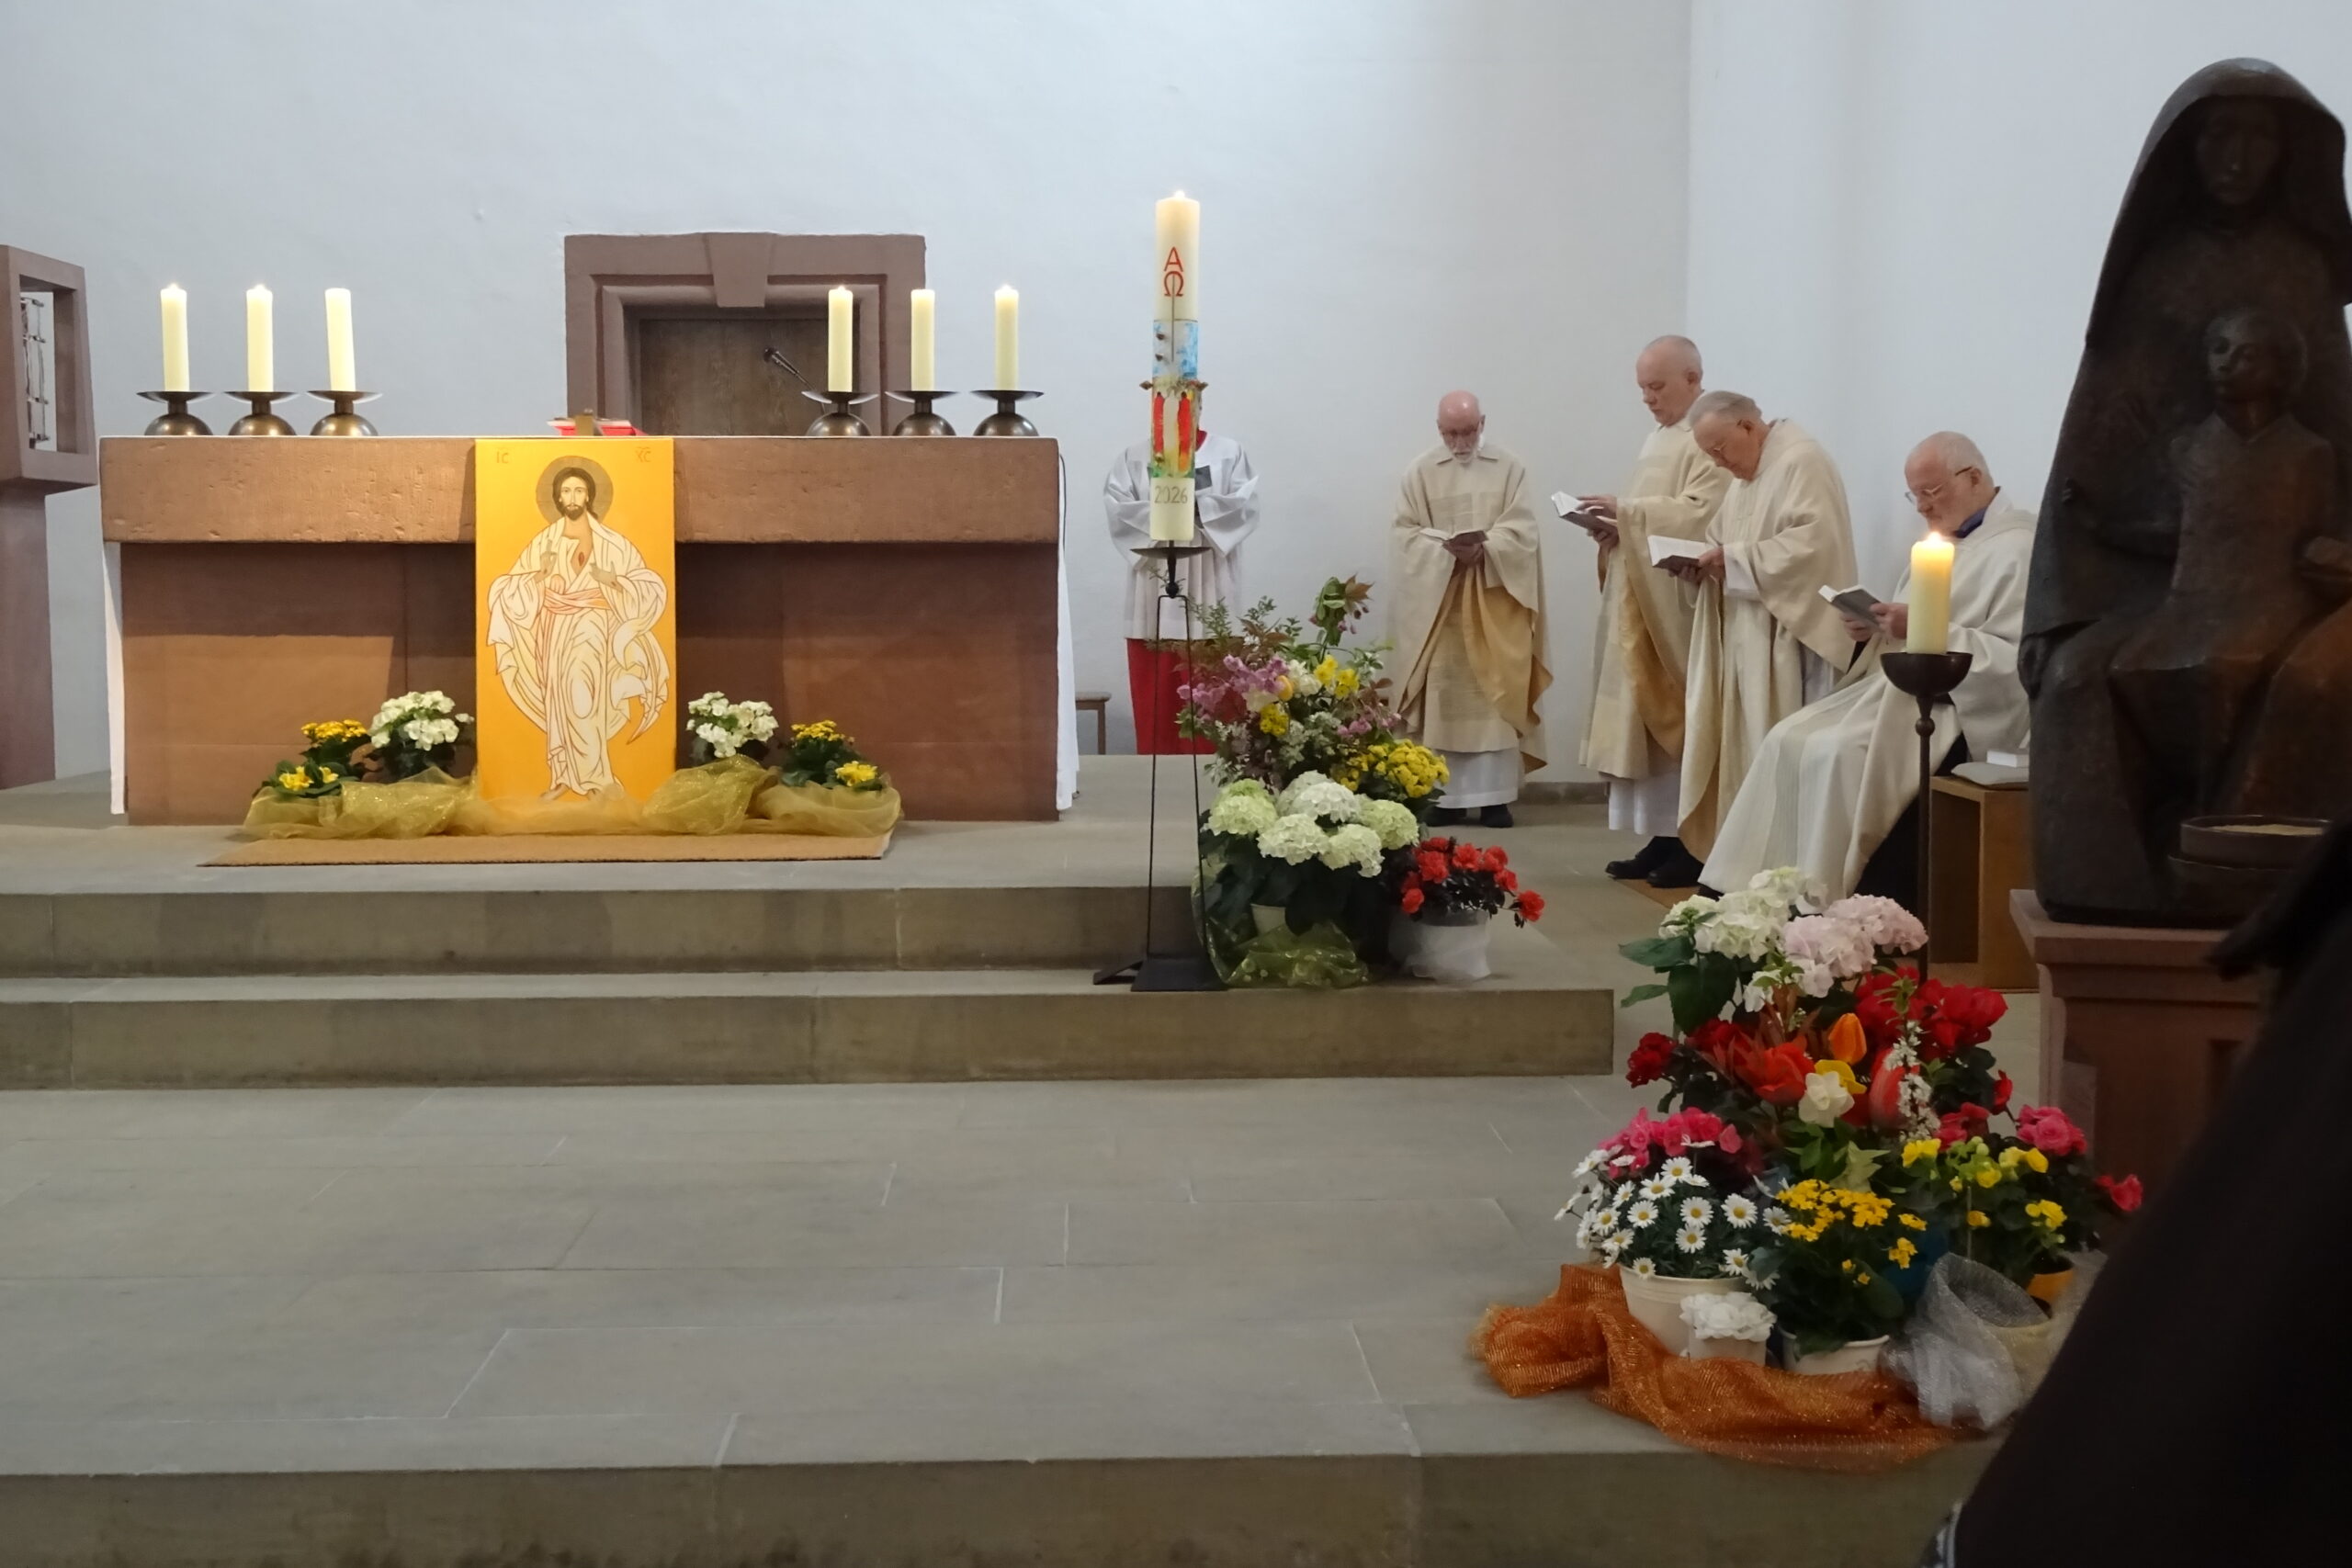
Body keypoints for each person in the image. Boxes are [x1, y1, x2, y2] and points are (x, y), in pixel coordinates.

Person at [2025, 59, 2352, 920]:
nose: (2236, 157)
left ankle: (2258, 883)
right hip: (2153, 579)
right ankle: (2113, 896)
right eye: (2218, 136)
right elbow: (2088, 458)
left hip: (2288, 576)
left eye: (2258, 138)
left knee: (2307, 679)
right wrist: (2052, 614)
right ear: (2185, 150)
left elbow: (2339, 439)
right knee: (2072, 682)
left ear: (2288, 154)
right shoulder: (2154, 270)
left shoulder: (2304, 270)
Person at [1699, 434, 2034, 904]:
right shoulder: (1943, 545)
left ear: (1974, 477)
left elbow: (2018, 660)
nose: (1922, 507)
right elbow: (1911, 630)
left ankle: (1826, 898)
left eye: (1931, 492)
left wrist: (1922, 628)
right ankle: (1755, 892)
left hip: (1955, 708)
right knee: (1787, 737)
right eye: (1914, 495)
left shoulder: (2020, 549)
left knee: (1836, 752)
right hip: (1900, 693)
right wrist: (1875, 630)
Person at [1669, 390, 1857, 864]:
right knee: (1744, 752)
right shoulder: (1745, 477)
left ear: (1749, 427)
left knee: (1780, 757)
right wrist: (1699, 563)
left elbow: (1815, 546)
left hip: (1789, 642)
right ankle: (1742, 864)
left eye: (1720, 449)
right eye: (1709, 454)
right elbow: (1720, 539)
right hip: (1747, 639)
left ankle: (1781, 868)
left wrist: (1734, 560)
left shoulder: (1801, 460)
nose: (1719, 463)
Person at [1576, 334, 1732, 887]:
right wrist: (1612, 527)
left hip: (1676, 603)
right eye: (1643, 388)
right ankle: (1661, 837)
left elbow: (1702, 514)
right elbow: (1648, 513)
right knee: (1642, 726)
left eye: (1657, 386)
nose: (1648, 398)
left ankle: (1693, 843)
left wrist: (1629, 514)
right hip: (1638, 596)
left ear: (1693, 378)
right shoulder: (1659, 438)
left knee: (1677, 720)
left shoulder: (1708, 435)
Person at [1391, 390, 1551, 828]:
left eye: (1467, 431)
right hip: (1442, 603)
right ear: (1438, 429)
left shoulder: (1509, 468)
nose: (1459, 442)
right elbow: (1405, 533)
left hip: (1494, 601)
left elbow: (1523, 531)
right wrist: (1444, 549)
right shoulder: (1420, 472)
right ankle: (1448, 799)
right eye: (1450, 433)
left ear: (1482, 423)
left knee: (1494, 695)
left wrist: (1487, 548)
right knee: (1445, 694)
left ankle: (1495, 799)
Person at [484, 464, 671, 799]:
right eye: (566, 491)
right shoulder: (544, 542)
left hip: (594, 627)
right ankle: (563, 775)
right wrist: (540, 577)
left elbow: (649, 586)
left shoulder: (613, 543)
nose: (572, 497)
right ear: (557, 498)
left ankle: (597, 780)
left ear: (589, 496)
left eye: (579, 491)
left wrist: (613, 581)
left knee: (582, 698)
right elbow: (505, 589)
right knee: (559, 700)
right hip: (555, 631)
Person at [1103, 423, 1261, 752]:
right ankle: (1157, 778)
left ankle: (1212, 777)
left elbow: (1244, 506)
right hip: (1153, 594)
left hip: (1211, 586)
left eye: (1187, 398)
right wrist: (1171, 510)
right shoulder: (1134, 458)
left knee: (1214, 713)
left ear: (1198, 401)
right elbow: (1118, 509)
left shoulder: (1228, 453)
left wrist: (1194, 507)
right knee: (1157, 710)